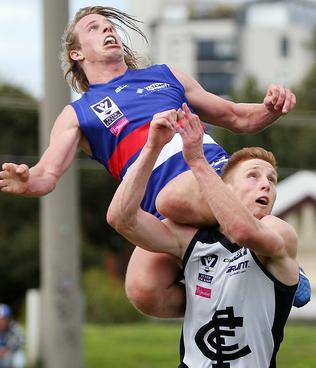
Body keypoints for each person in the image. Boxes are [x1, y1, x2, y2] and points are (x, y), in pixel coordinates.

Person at [0, 6, 309, 317]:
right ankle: (239, 291)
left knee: (172, 197)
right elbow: (47, 174)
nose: (108, 31)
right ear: (77, 54)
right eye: (94, 28)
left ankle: (281, 260)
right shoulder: (78, 113)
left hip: (211, 175)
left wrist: (272, 107)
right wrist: (27, 181)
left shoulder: (165, 75)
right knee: (143, 289)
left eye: (110, 26)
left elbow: (236, 117)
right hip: (161, 213)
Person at [69, 106, 298, 368]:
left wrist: (198, 161)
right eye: (253, 176)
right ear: (225, 187)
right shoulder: (193, 239)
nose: (266, 185)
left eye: (272, 180)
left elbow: (243, 231)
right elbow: (121, 218)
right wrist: (152, 148)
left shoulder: (278, 231)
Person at [0, 304, 25, 368]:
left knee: (19, 351)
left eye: (5, 319)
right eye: (1, 319)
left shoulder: (14, 327)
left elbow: (22, 340)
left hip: (9, 357)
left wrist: (7, 348)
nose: (3, 322)